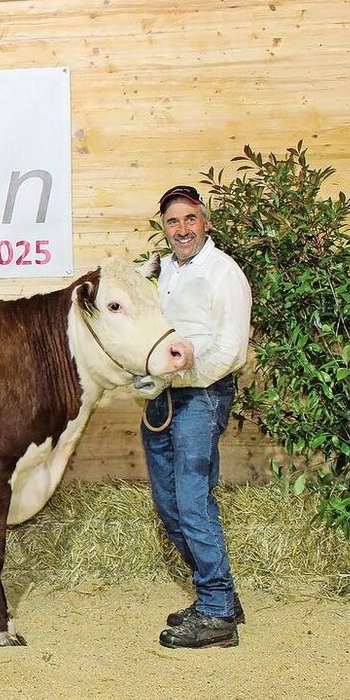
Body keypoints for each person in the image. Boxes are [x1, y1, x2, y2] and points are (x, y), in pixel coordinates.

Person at [144, 183, 252, 649]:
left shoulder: (224, 273)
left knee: (192, 501)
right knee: (169, 505)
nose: (182, 228)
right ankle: (219, 595)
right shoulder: (161, 269)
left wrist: (190, 366)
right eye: (173, 221)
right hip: (163, 398)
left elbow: (231, 348)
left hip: (201, 396)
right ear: (163, 229)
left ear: (205, 222)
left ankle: (216, 613)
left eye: (190, 219)